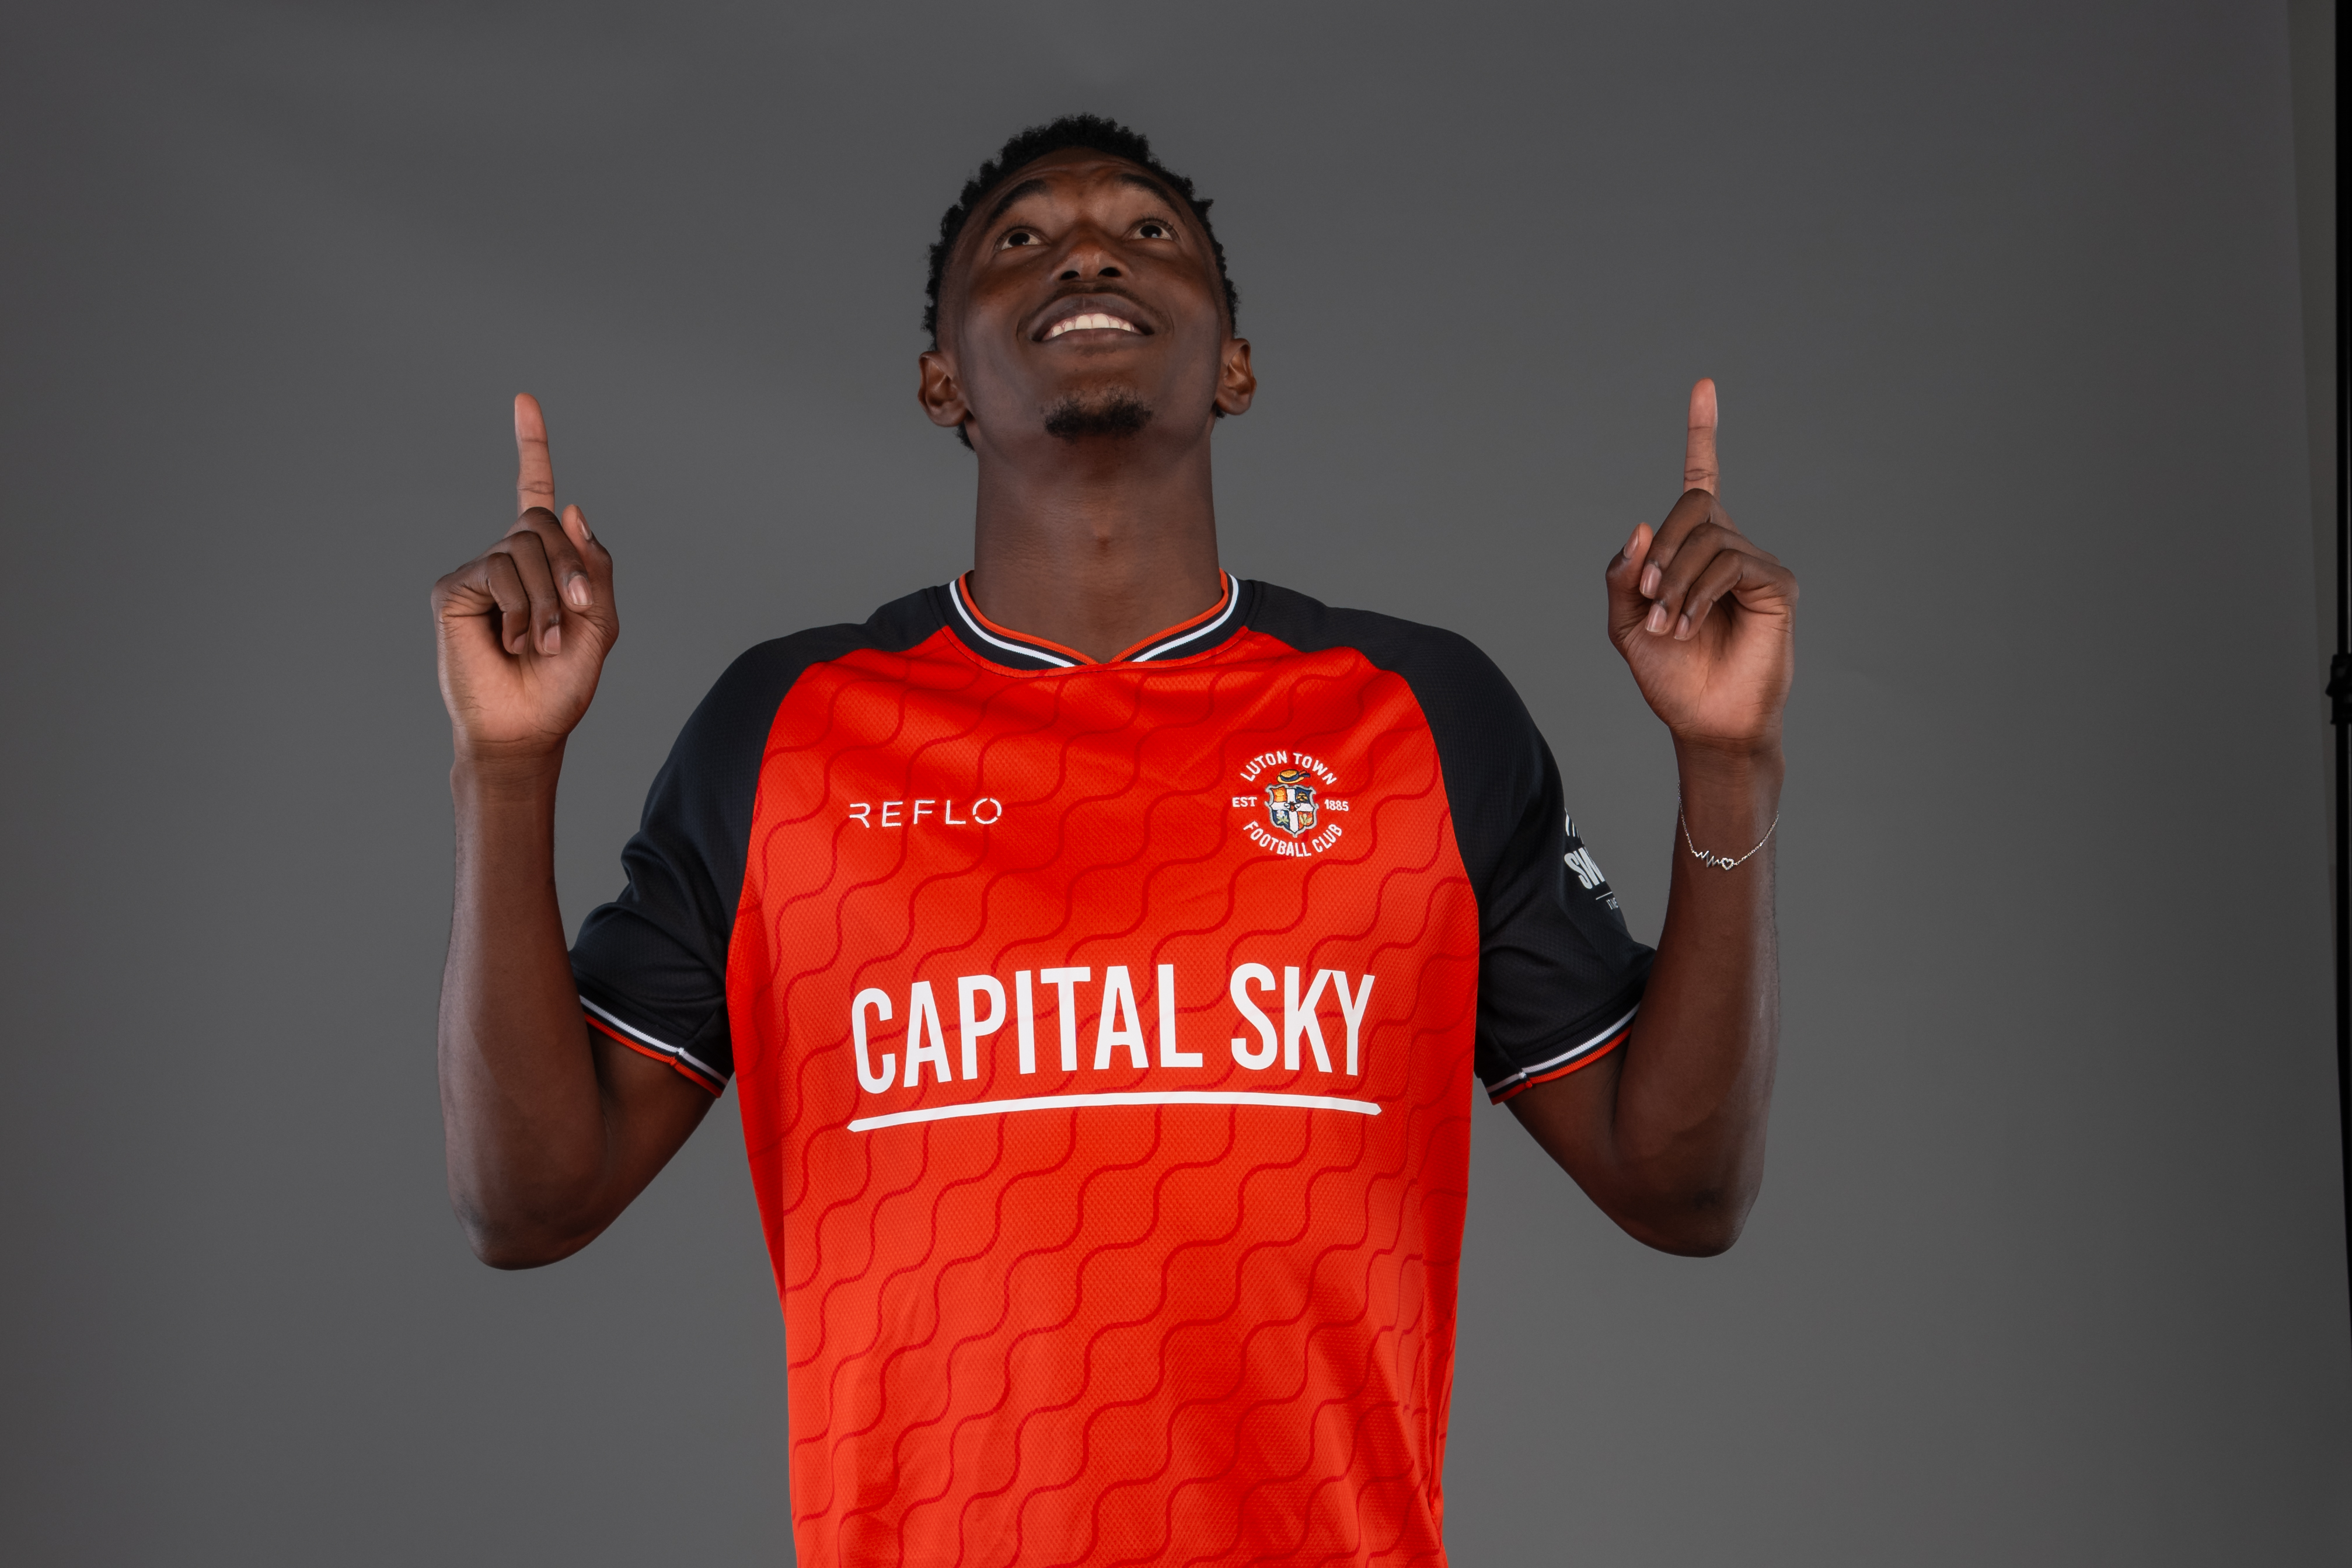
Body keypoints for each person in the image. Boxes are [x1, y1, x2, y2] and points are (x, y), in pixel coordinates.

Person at [431, 114, 1793, 1567]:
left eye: (1150, 232)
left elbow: (1682, 1189)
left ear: (1235, 365)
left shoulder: (1418, 714)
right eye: (1018, 238)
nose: (1086, 247)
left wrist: (1726, 766)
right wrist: (505, 773)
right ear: (939, 378)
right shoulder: (785, 728)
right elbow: (528, 1201)